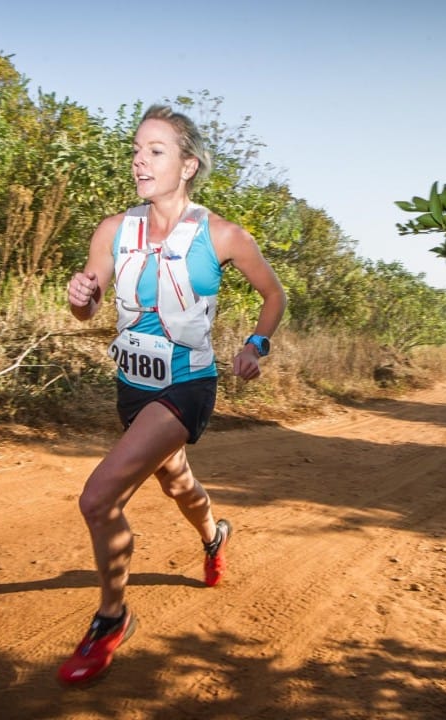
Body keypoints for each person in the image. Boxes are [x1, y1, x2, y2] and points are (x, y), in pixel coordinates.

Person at [57, 104, 287, 685]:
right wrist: (80, 293)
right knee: (176, 479)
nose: (139, 158)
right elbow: (86, 308)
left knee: (98, 497)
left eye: (155, 150)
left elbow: (273, 296)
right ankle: (215, 535)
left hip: (188, 385)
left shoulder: (224, 234)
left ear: (187, 165)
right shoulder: (115, 229)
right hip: (132, 385)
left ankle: (112, 621)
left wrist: (254, 346)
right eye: (136, 148)